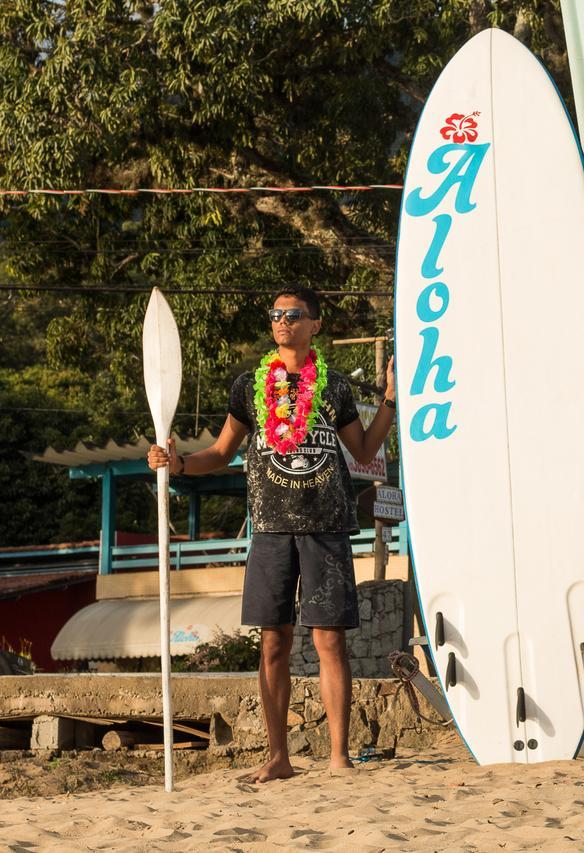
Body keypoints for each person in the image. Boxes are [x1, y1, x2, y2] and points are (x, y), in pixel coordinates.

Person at [146, 285, 396, 782]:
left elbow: (365, 451)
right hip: (270, 528)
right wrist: (176, 462)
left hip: (326, 526)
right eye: (277, 314)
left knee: (330, 643)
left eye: (294, 314)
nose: (284, 320)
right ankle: (279, 757)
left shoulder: (336, 386)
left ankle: (338, 756)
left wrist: (390, 397)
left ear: (315, 324)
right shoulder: (248, 386)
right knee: (273, 644)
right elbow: (219, 453)